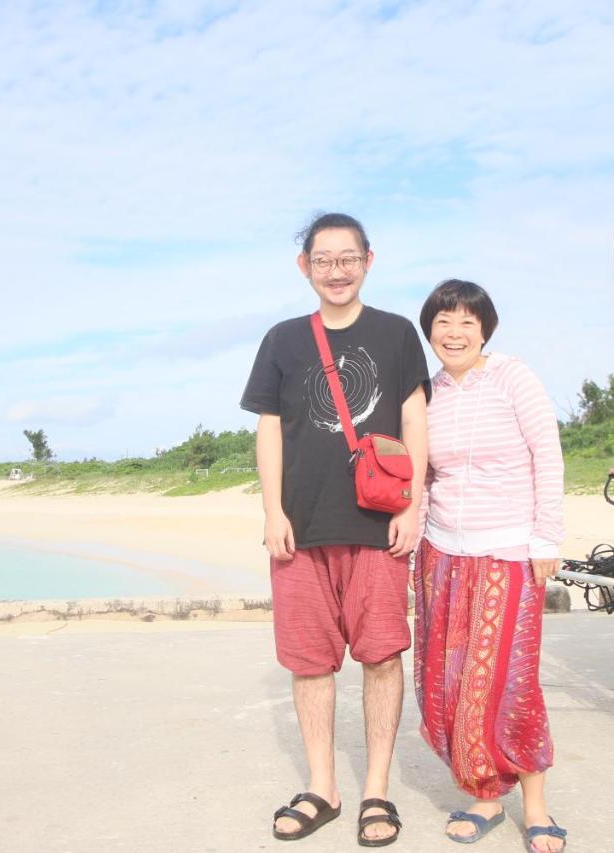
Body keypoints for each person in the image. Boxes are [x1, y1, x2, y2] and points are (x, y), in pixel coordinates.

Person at [240, 212, 429, 847]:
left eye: (348, 258)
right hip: (302, 524)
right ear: (305, 268)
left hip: (379, 524)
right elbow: (268, 427)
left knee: (381, 655)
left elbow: (414, 421)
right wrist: (273, 511)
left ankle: (376, 788)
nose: (337, 270)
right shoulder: (283, 339)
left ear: (368, 261)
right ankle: (323, 785)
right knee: (309, 663)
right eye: (324, 260)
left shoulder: (397, 333)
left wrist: (412, 505)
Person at [413, 279, 567, 853]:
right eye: (443, 322)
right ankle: (484, 795)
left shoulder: (513, 378)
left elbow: (547, 455)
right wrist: (414, 541)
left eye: (466, 323)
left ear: (485, 330)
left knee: (511, 681)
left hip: (508, 553)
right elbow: (424, 475)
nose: (454, 333)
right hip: (442, 552)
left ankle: (537, 806)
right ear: (429, 330)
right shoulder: (425, 394)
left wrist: (546, 537)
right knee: (452, 680)